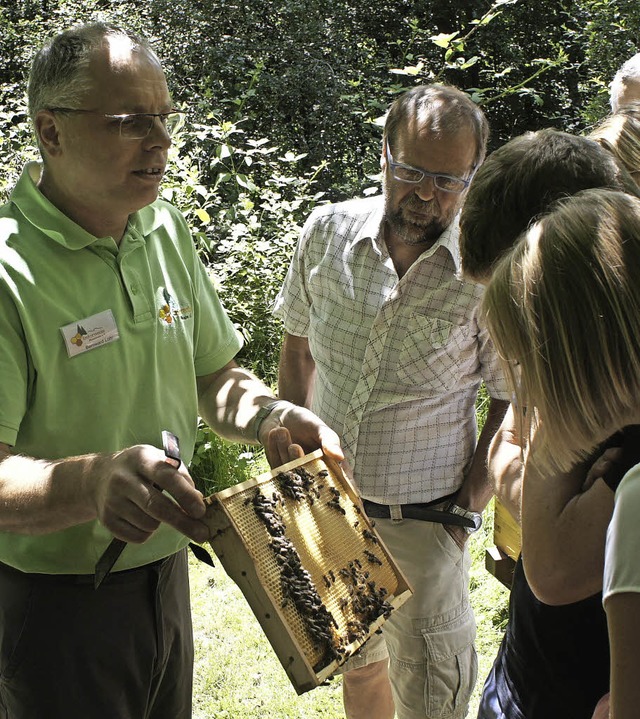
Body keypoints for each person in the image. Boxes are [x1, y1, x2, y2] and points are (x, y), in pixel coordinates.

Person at [0, 22, 342, 719]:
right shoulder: (9, 272)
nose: (160, 141)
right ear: (51, 131)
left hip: (167, 576)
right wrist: (93, 481)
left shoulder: (165, 229)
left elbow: (216, 378)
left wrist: (273, 413)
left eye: (165, 117)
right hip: (54, 607)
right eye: (130, 121)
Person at [273, 84, 510, 719]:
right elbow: (295, 353)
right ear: (383, 154)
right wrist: (291, 472)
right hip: (329, 510)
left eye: (447, 179)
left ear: (474, 175)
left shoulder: (488, 272)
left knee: (432, 693)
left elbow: (511, 401)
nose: (425, 194)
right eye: (410, 171)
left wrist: (468, 506)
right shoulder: (327, 233)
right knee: (358, 668)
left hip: (428, 522)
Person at [458, 128, 640, 719]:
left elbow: (553, 568)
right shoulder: (577, 369)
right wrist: (549, 479)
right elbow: (507, 445)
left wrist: (538, 474)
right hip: (520, 670)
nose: (526, 363)